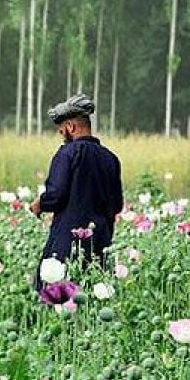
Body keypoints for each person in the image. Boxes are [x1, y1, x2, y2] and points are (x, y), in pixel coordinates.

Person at [29, 94, 123, 289]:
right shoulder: (110, 159)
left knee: (53, 295)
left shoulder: (67, 153)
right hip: (99, 243)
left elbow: (56, 195)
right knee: (93, 296)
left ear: (71, 127)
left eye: (61, 130)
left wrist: (40, 204)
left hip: (67, 244)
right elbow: (116, 205)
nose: (61, 134)